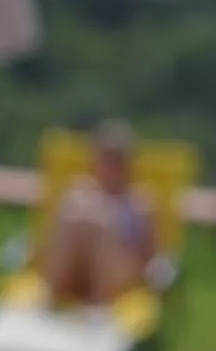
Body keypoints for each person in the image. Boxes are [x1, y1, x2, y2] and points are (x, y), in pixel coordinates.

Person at [42, 121, 156, 306]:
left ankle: (97, 309)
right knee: (74, 217)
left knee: (102, 225)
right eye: (107, 158)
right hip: (75, 270)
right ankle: (50, 301)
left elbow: (150, 256)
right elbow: (54, 235)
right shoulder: (79, 190)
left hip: (119, 272)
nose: (112, 165)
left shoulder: (139, 202)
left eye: (118, 159)